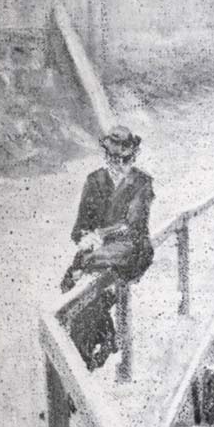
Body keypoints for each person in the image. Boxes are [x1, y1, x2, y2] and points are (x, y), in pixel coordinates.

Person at [61, 126, 155, 371]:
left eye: (124, 158)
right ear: (106, 156)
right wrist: (85, 237)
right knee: (74, 291)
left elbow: (134, 225)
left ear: (133, 157)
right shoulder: (94, 181)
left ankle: (96, 349)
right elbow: (81, 225)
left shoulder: (141, 182)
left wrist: (99, 235)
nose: (118, 163)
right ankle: (93, 348)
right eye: (113, 157)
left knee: (89, 280)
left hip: (132, 249)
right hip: (97, 252)